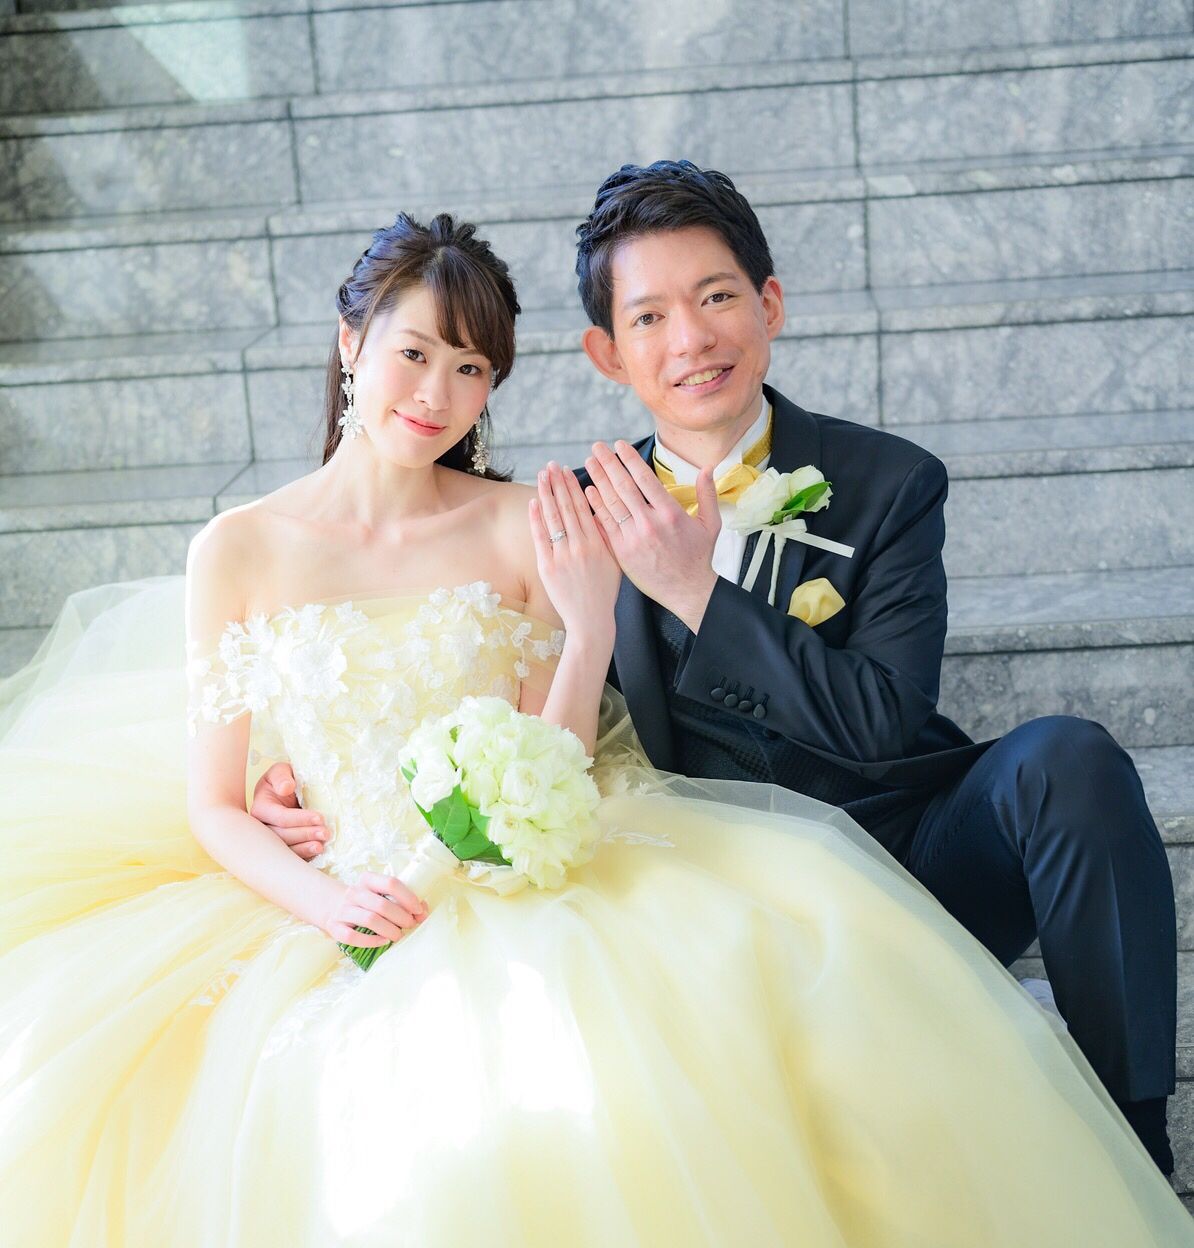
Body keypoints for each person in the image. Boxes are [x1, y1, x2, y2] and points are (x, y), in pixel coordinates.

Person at [1, 210, 1193, 1248]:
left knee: (719, 1052)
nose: (435, 390)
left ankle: (1092, 1196)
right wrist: (315, 870)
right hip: (355, 896)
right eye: (411, 352)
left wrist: (589, 627)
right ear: (350, 345)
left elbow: (575, 735)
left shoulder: (578, 513)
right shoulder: (255, 546)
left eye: (466, 367)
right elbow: (219, 796)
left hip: (626, 854)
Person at [252, 162, 1179, 1183]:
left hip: (911, 858)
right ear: (609, 354)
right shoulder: (577, 516)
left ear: (769, 305)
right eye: (649, 317)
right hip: (712, 895)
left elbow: (885, 719)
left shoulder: (890, 482)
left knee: (1069, 761)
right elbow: (506, 707)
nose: (691, 339)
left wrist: (698, 592)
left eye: (716, 297)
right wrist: (297, 771)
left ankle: (1138, 1137)